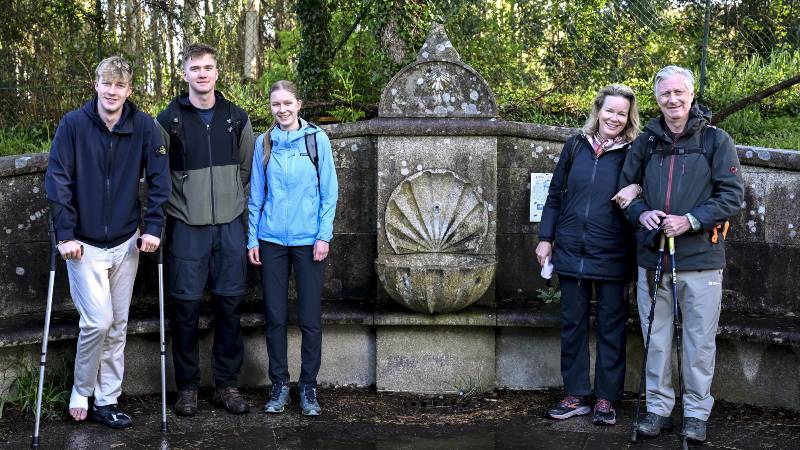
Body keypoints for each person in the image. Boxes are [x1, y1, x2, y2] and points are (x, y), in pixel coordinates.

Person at [618, 66, 744, 443]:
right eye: (664, 95)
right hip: (652, 257)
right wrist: (642, 212)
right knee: (655, 339)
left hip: (701, 260)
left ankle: (695, 413)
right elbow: (625, 189)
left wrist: (689, 220)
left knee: (698, 342)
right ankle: (657, 409)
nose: (672, 100)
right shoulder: (646, 142)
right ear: (657, 99)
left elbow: (731, 197)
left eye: (678, 93)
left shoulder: (715, 140)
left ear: (690, 95)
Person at [45, 56, 170, 428]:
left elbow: (160, 180)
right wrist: (65, 234)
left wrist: (153, 227)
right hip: (82, 245)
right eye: (106, 83)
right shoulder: (73, 125)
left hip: (127, 242)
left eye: (120, 85)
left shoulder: (144, 126)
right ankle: (82, 389)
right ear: (96, 85)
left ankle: (107, 398)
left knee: (118, 325)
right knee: (98, 321)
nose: (113, 91)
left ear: (129, 90)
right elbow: (58, 180)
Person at [155, 43, 255, 416]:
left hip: (229, 228)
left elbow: (246, 171)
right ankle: (188, 389)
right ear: (185, 74)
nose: (202, 73)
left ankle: (227, 386)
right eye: (195, 68)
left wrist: (230, 202)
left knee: (229, 307)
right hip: (187, 230)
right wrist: (179, 211)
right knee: (185, 310)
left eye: (208, 67)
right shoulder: (168, 121)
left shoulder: (236, 118)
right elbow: (156, 176)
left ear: (217, 72)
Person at [537, 84, 642, 426]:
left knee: (612, 328)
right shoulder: (575, 146)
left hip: (612, 253)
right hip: (570, 253)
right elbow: (554, 196)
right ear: (598, 110)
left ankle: (607, 399)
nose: (614, 117)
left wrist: (638, 186)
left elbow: (647, 189)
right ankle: (576, 395)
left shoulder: (634, 152)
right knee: (572, 326)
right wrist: (545, 238)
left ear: (629, 119)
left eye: (621, 113)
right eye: (609, 110)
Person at [247, 80, 338, 416]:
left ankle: (309, 387)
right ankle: (279, 385)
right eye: (275, 105)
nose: (282, 110)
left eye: (287, 103)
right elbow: (256, 195)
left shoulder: (317, 141)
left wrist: (323, 236)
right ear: (270, 108)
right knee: (274, 317)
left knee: (310, 318)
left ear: (299, 104)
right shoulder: (264, 142)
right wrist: (252, 238)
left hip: (308, 242)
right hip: (271, 241)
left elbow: (330, 192)